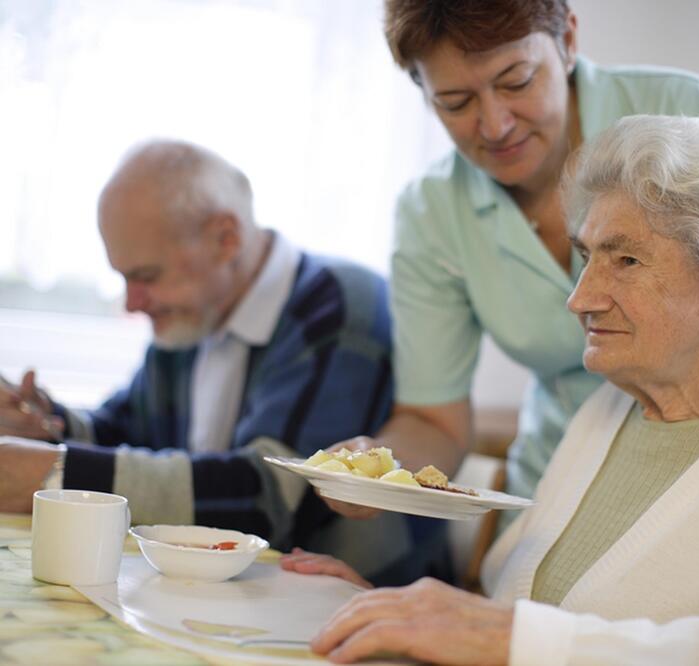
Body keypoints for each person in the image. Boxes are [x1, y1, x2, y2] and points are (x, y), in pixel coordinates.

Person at [282, 115, 699, 665]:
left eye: (625, 259)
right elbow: (525, 622)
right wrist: (393, 617)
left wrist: (501, 638)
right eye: (586, 257)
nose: (580, 298)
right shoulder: (605, 411)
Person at [325, 0, 699, 521]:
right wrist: (372, 472)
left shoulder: (690, 112)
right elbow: (435, 420)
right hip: (561, 476)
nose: (495, 124)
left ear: (569, 41)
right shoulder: (432, 210)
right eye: (456, 102)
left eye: (516, 81)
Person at [0, 139, 448, 585]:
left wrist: (52, 472)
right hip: (241, 600)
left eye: (146, 277)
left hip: (360, 606)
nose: (132, 302)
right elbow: (123, 428)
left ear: (226, 239)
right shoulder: (195, 312)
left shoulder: (340, 308)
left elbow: (269, 499)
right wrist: (43, 423)